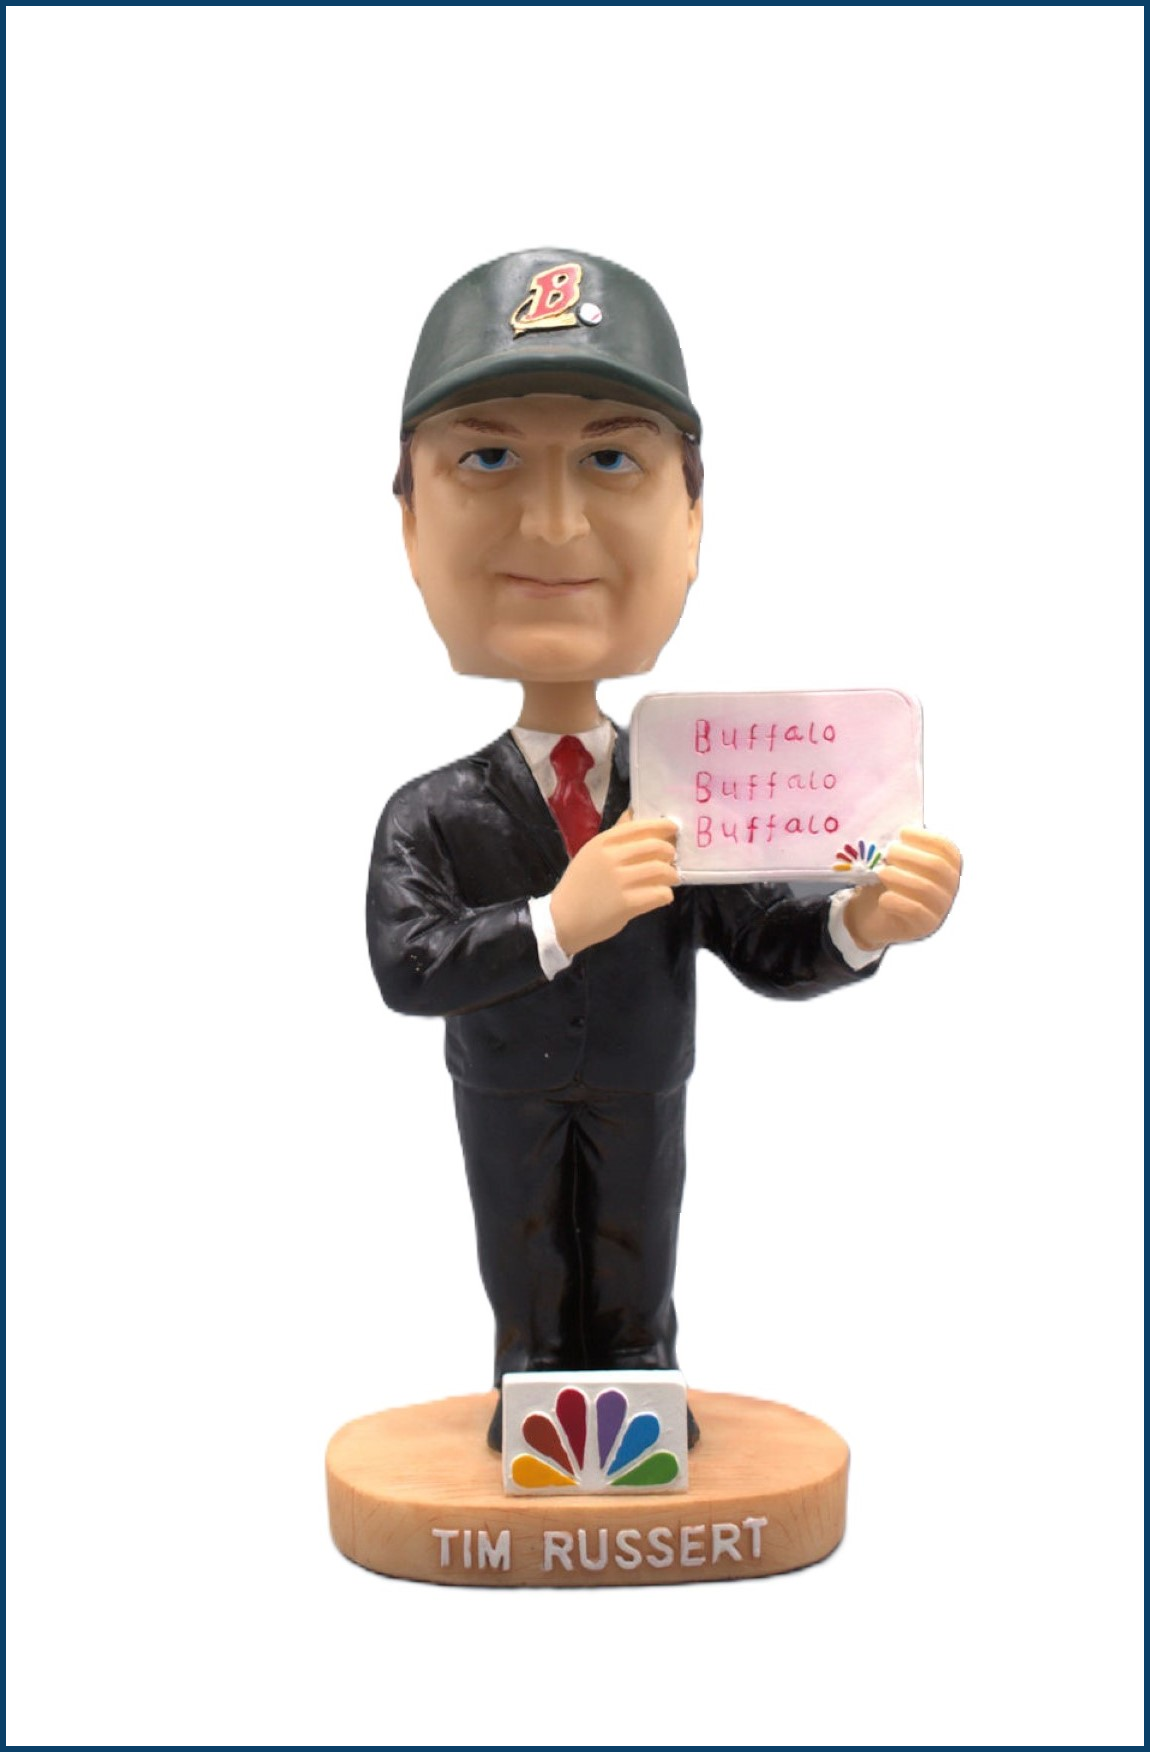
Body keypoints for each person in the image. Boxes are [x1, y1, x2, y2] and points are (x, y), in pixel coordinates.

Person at [366, 249, 961, 1448]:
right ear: (410, 522)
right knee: (528, 1271)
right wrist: (557, 920)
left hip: (643, 1082)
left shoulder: (689, 785)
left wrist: (859, 923)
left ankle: (636, 1413)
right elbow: (408, 966)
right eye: (487, 459)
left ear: (692, 522)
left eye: (609, 460)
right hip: (505, 1087)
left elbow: (761, 936)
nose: (553, 523)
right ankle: (538, 1416)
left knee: (635, 1269)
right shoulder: (432, 812)